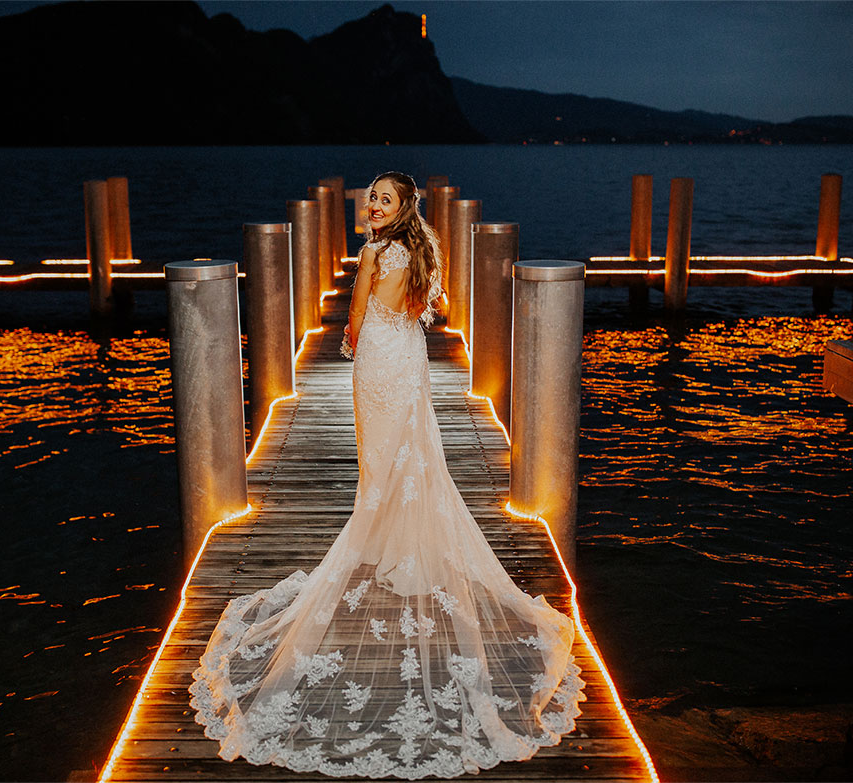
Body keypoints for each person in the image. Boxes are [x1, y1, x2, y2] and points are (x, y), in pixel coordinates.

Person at [190, 172, 584, 778]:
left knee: (378, 459)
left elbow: (354, 317)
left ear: (399, 210)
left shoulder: (375, 252)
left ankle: (384, 543)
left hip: (377, 357)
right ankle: (405, 551)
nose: (372, 207)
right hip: (410, 358)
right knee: (412, 456)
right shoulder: (424, 250)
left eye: (382, 200)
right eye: (370, 198)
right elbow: (426, 311)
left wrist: (352, 339)